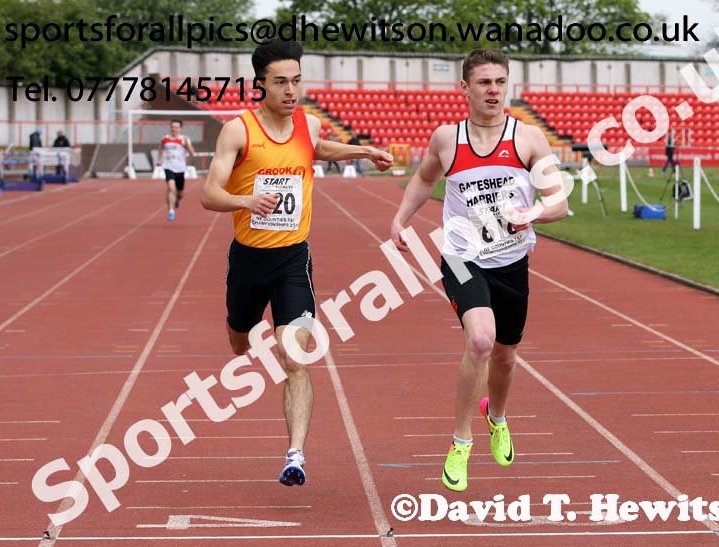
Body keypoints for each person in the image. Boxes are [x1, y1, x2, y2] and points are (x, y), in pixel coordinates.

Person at [201, 39, 393, 487]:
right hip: (248, 261)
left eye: (296, 81)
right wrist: (247, 199)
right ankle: (245, 333)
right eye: (281, 82)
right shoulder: (238, 131)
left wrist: (364, 152)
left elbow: (318, 149)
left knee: (294, 356)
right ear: (260, 85)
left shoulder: (308, 123)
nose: (291, 90)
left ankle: (295, 455)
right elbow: (210, 194)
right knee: (238, 341)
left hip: (293, 260)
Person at [390, 49, 569, 492]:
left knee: (506, 356)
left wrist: (532, 213)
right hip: (460, 256)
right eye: (484, 82)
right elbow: (425, 178)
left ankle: (498, 417)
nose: (493, 90)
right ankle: (460, 441)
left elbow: (559, 203)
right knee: (482, 340)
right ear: (465, 88)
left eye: (500, 82)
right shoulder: (447, 140)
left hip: (511, 260)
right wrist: (400, 218)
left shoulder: (528, 139)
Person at [157, 120, 196, 221]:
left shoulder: (184, 139)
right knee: (171, 187)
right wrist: (160, 159)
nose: (174, 129)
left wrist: (187, 146)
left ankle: (177, 200)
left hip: (180, 169)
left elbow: (192, 153)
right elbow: (160, 149)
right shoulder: (165, 139)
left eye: (176, 127)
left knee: (180, 194)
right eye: (172, 127)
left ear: (180, 128)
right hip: (168, 167)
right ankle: (171, 211)